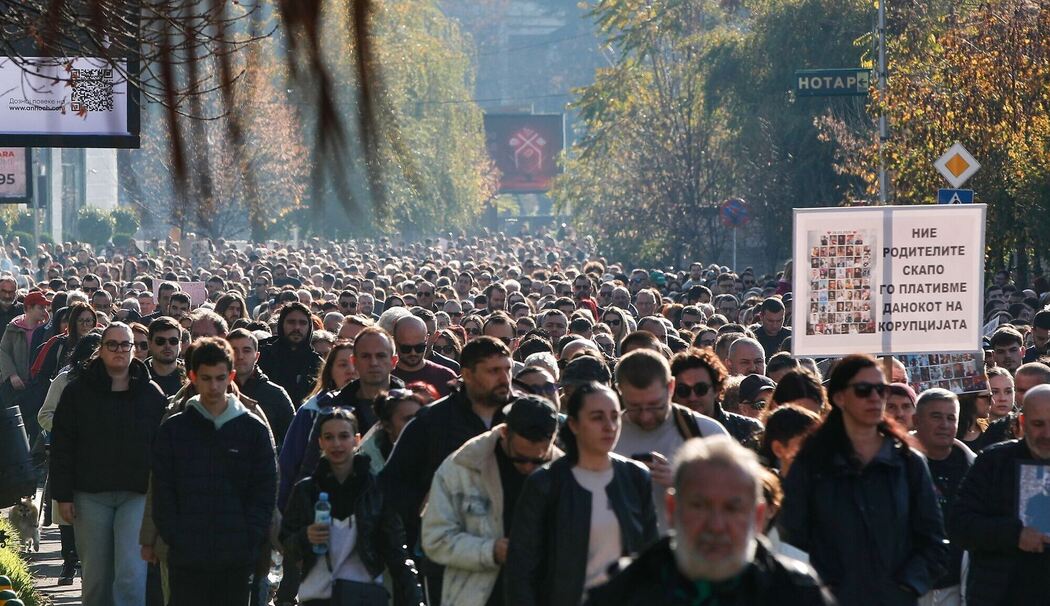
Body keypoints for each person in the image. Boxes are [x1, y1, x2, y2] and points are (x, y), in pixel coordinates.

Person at [778, 353, 948, 605]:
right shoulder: (811, 462)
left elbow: (933, 541)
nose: (875, 398)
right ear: (839, 398)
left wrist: (906, 586)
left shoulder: (909, 462)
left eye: (881, 389)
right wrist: (822, 588)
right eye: (863, 390)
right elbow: (792, 538)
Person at [585, 436, 835, 606]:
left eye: (732, 508)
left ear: (759, 517)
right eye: (700, 506)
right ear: (672, 509)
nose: (716, 525)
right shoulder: (623, 592)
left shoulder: (796, 593)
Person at [380, 336, 513, 604]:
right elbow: (391, 487)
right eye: (493, 371)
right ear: (467, 374)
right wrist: (426, 511)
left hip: (511, 555)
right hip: (450, 559)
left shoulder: (521, 417)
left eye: (507, 369)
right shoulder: (432, 422)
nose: (504, 378)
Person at [505, 382, 659, 605]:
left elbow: (650, 558)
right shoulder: (546, 483)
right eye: (597, 417)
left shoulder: (636, 477)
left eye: (614, 416)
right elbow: (521, 568)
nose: (609, 426)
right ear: (574, 424)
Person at [151, 337, 277, 605]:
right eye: (206, 378)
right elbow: (162, 489)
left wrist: (250, 536)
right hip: (186, 553)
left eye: (220, 378)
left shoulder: (252, 429)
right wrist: (174, 535)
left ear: (230, 376)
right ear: (193, 377)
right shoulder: (174, 429)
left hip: (236, 554)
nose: (214, 386)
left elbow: (264, 488)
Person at [49, 322, 168, 606]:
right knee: (97, 577)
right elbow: (63, 446)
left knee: (130, 573)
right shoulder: (77, 392)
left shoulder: (151, 394)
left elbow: (163, 450)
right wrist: (63, 495)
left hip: (137, 495)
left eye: (125, 344)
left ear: (135, 350)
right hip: (90, 495)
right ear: (100, 350)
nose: (119, 350)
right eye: (111, 344)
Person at [421, 395, 562, 606]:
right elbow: (435, 539)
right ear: (505, 432)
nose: (528, 468)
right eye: (520, 458)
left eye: (538, 460)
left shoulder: (564, 473)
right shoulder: (462, 467)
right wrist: (492, 551)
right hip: (476, 597)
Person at [279, 408, 423, 606]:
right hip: (317, 596)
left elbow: (396, 550)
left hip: (365, 594)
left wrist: (415, 598)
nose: (336, 444)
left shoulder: (376, 490)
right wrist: (305, 536)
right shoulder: (305, 490)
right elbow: (286, 543)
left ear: (356, 440)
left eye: (344, 436)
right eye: (329, 437)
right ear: (320, 442)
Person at [949, 383, 1050, 605]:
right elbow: (960, 525)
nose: (1047, 434)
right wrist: (1014, 535)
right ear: (1022, 423)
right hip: (1002, 593)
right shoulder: (993, 462)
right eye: (1038, 424)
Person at [37, 332, 102, 585]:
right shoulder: (64, 380)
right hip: (68, 456)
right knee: (66, 511)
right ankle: (69, 560)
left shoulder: (113, 381)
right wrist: (69, 428)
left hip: (100, 461)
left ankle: (90, 567)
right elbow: (44, 415)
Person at [279, 340, 361, 510]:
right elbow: (289, 465)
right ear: (331, 370)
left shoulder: (374, 408)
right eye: (343, 365)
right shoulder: (311, 411)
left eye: (355, 364)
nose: (350, 371)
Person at [911, 389, 974, 606]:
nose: (944, 424)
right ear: (916, 420)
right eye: (936, 416)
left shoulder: (975, 470)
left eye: (951, 418)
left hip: (956, 588)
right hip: (908, 587)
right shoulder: (892, 466)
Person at [669, 348, 762, 447]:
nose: (692, 397)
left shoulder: (748, 430)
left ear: (717, 389)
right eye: (683, 390)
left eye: (701, 389)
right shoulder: (662, 432)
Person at [228, 327, 296, 448]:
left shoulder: (276, 395)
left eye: (246, 350)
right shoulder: (214, 391)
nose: (240, 356)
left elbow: (293, 443)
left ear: (257, 356)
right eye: (234, 350)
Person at [330, 326, 403, 434]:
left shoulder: (410, 406)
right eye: (365, 356)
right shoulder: (332, 407)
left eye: (381, 356)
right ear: (354, 361)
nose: (373, 363)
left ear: (394, 361)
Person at [1, 290, 50, 438]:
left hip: (36, 386)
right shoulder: (14, 328)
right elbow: (3, 351)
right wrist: (12, 374)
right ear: (29, 307)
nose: (44, 311)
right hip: (17, 385)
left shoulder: (45, 330)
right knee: (16, 427)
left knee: (35, 425)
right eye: (40, 307)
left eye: (45, 307)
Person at [258, 302, 323, 406]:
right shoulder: (263, 356)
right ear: (282, 324)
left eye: (302, 323)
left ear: (309, 327)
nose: (297, 327)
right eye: (291, 322)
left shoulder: (317, 365)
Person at [356, 389, 426, 475]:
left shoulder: (436, 453)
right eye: (408, 419)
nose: (416, 424)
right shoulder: (365, 466)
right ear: (387, 426)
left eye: (419, 417)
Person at [391, 315, 457, 397]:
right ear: (395, 342)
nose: (413, 353)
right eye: (406, 348)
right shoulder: (385, 377)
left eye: (419, 347)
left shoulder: (446, 377)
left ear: (427, 339)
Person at [144, 316, 185, 397]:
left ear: (180, 345)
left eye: (173, 341)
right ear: (149, 344)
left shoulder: (191, 377)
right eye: (160, 341)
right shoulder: (139, 376)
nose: (167, 346)